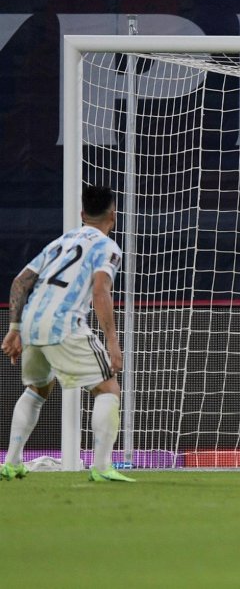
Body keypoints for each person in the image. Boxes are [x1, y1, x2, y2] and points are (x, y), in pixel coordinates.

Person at [1, 185, 134, 482]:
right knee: (107, 388)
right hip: (63, 323)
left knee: (38, 388)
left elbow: (20, 282)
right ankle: (101, 468)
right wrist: (113, 343)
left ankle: (11, 463)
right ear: (113, 214)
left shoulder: (60, 242)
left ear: (82, 214)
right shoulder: (107, 247)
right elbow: (100, 291)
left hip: (32, 321)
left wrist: (15, 328)